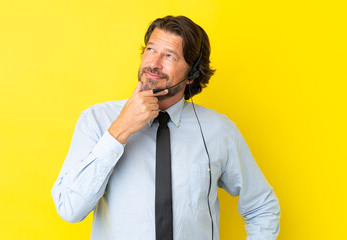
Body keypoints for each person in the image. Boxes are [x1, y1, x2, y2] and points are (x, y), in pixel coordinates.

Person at [52, 15, 280, 240]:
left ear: (192, 74)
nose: (154, 64)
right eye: (151, 50)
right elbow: (70, 209)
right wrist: (120, 130)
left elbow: (262, 208)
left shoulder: (219, 132)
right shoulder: (97, 120)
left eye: (169, 56)